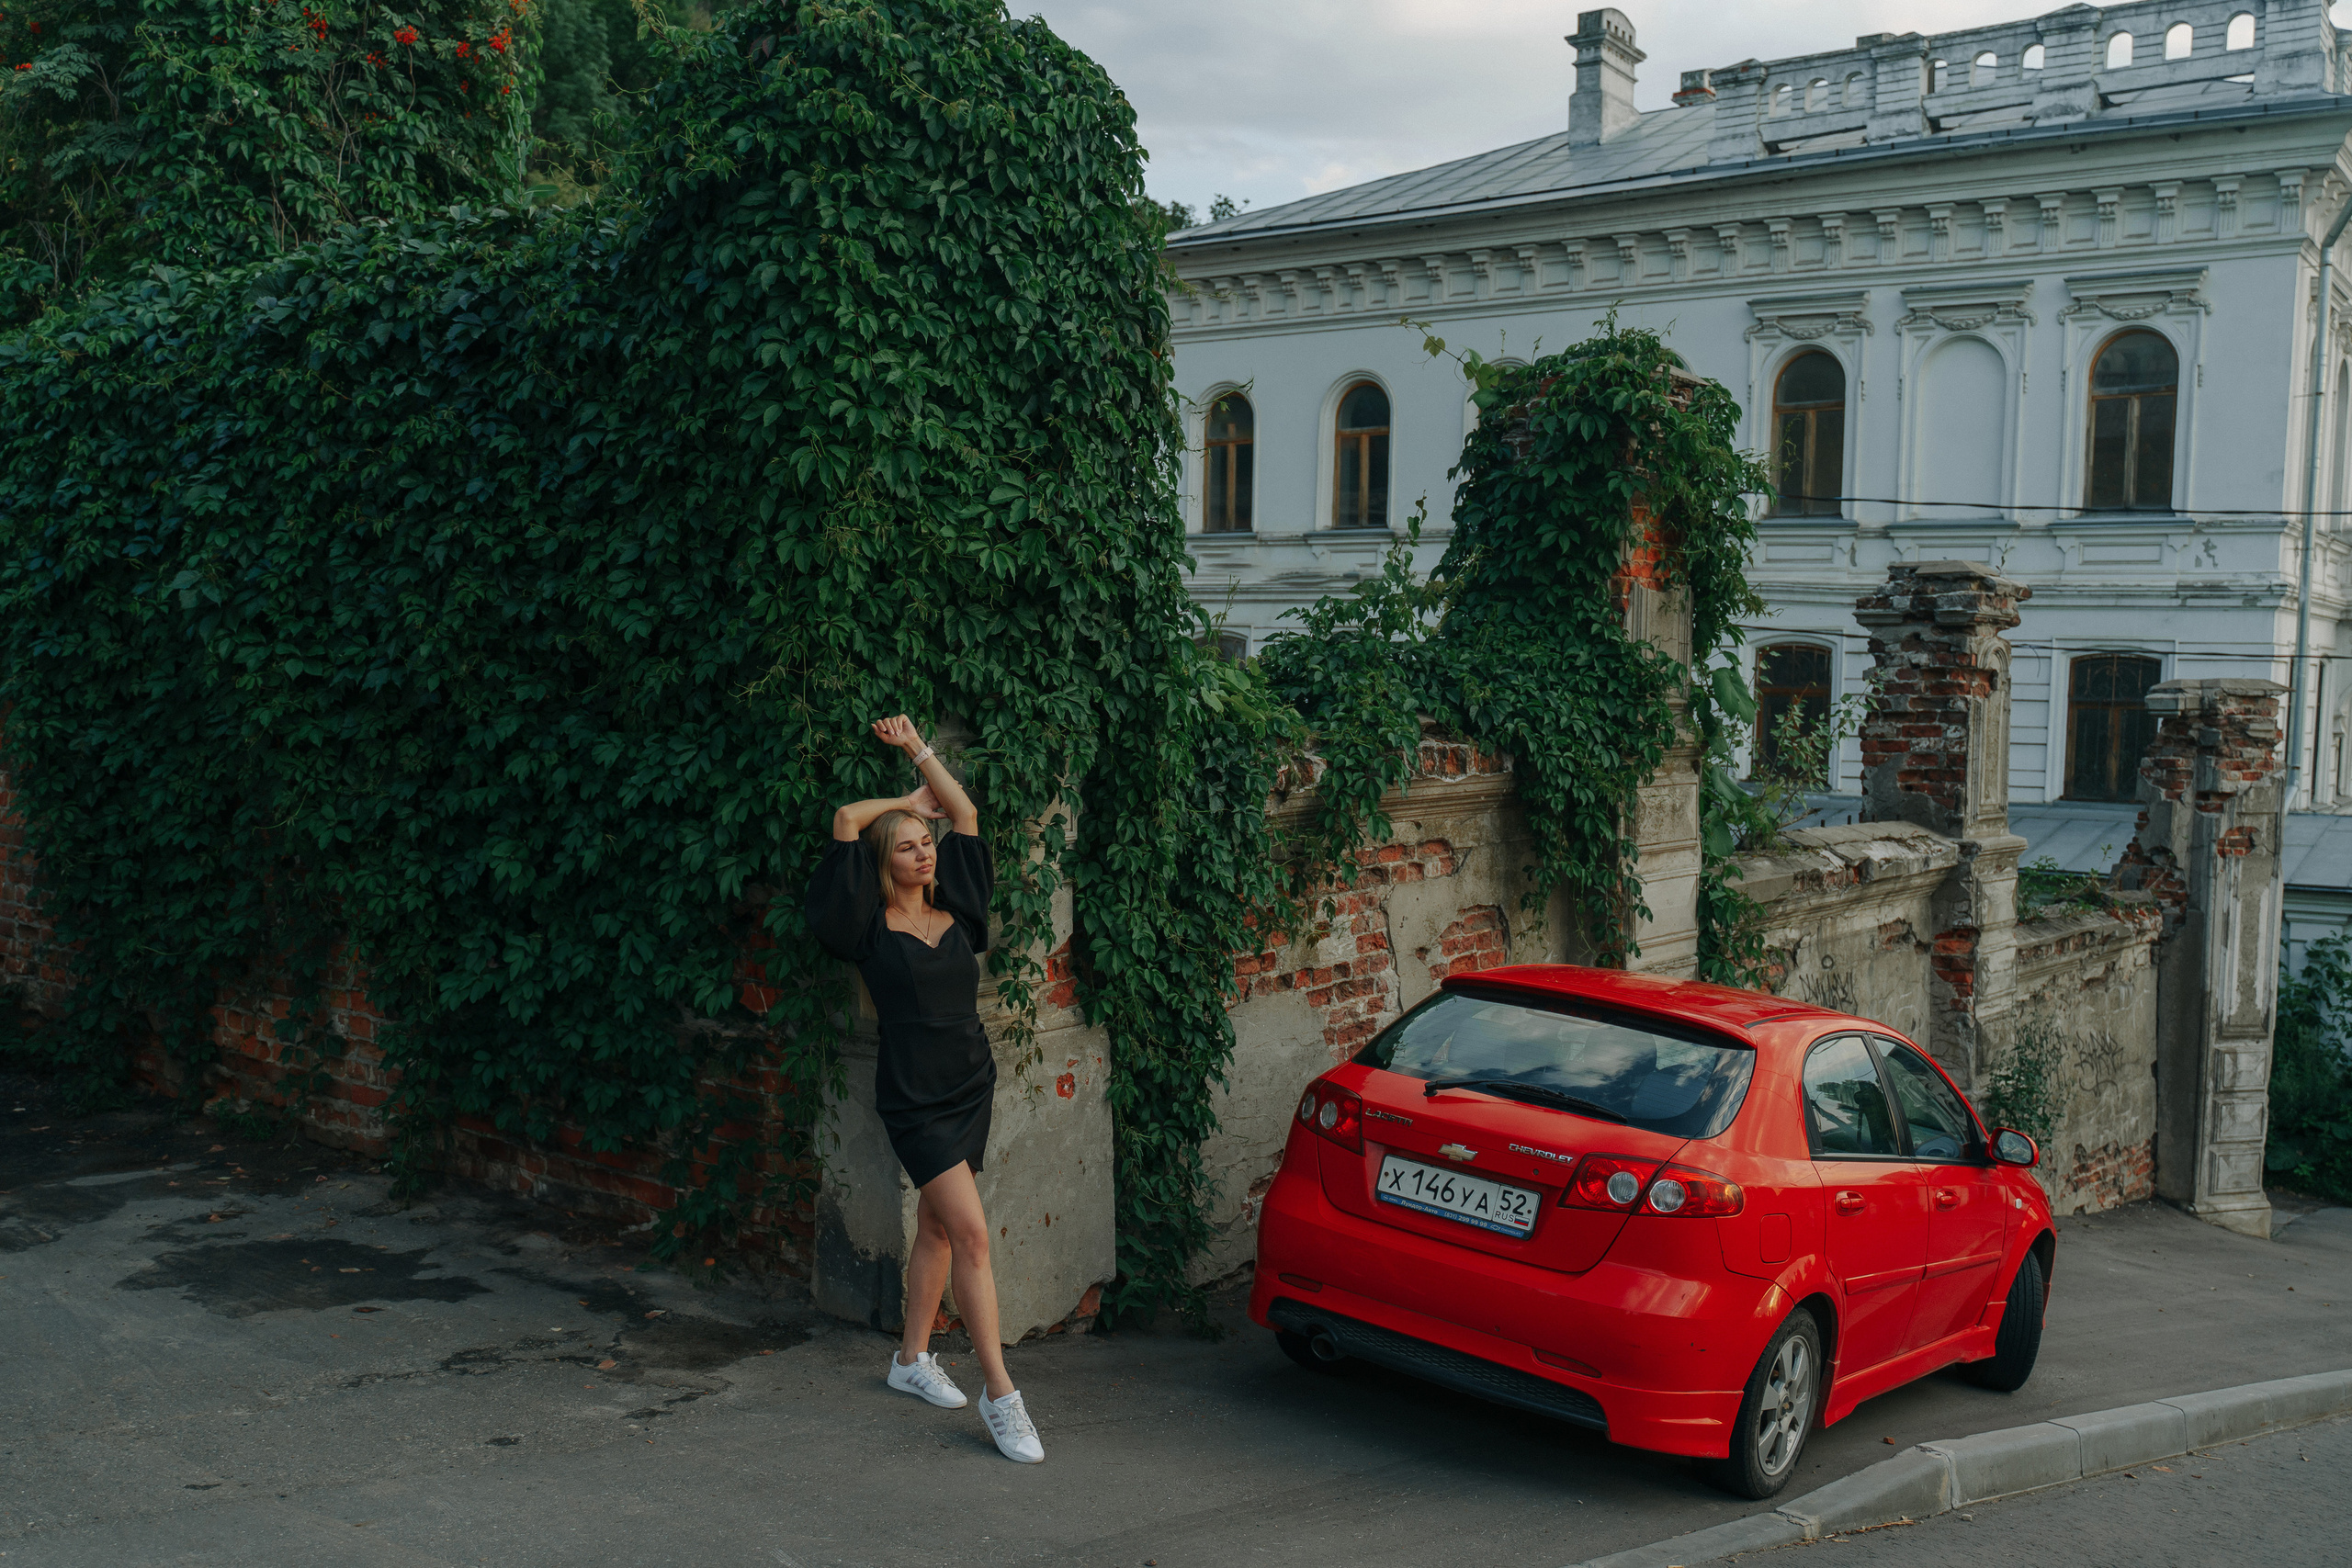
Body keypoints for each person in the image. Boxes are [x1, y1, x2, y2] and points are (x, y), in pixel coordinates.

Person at [804, 715, 1044, 1464]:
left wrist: (923, 752)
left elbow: (964, 813)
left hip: (970, 1081)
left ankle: (910, 1359)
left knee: (940, 1229)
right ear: (886, 862)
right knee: (971, 1234)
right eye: (908, 844)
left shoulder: (958, 912)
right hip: (913, 1096)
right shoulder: (865, 928)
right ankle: (1001, 1394)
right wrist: (902, 796)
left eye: (925, 841)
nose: (925, 849)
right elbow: (845, 818)